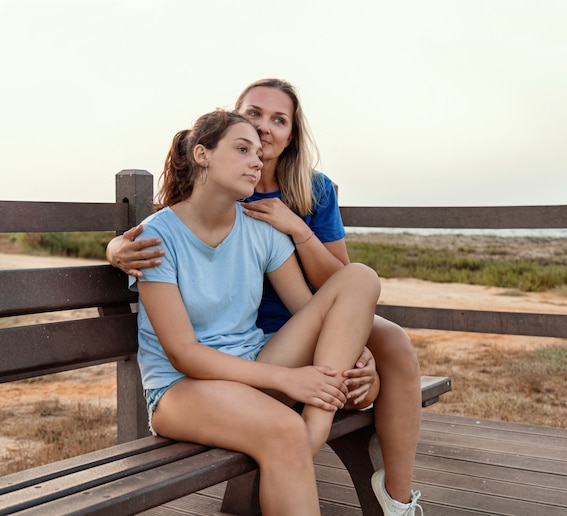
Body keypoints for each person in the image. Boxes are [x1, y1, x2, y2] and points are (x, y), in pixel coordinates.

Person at [107, 79, 423, 516]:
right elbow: (183, 354)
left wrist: (355, 350)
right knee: (284, 432)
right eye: (242, 148)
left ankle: (318, 428)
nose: (255, 159)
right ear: (202, 154)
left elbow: (312, 306)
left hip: (259, 365)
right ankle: (306, 433)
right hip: (185, 389)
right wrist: (290, 381)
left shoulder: (265, 226)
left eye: (259, 151)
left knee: (361, 278)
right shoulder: (159, 237)